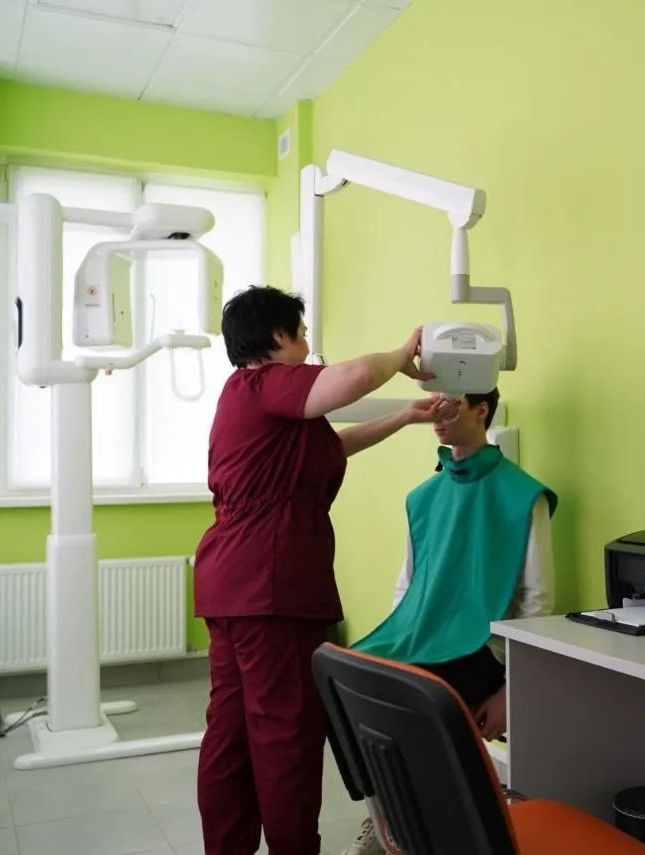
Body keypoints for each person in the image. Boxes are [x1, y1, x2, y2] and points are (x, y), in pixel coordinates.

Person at [193, 285, 459, 855]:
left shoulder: (250, 401)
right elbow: (356, 375)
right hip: (271, 585)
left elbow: (331, 447)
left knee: (231, 731)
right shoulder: (268, 383)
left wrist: (404, 417)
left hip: (231, 582)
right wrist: (402, 355)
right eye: (302, 332)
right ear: (277, 336)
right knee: (284, 732)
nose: (308, 343)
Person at [341, 387, 557, 855]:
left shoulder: (524, 496)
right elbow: (407, 589)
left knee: (409, 701)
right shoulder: (423, 498)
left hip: (483, 647)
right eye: (434, 404)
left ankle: (413, 826)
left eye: (451, 405)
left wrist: (511, 690)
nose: (436, 415)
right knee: (348, 676)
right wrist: (392, 647)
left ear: (482, 409)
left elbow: (537, 603)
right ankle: (387, 820)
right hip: (422, 638)